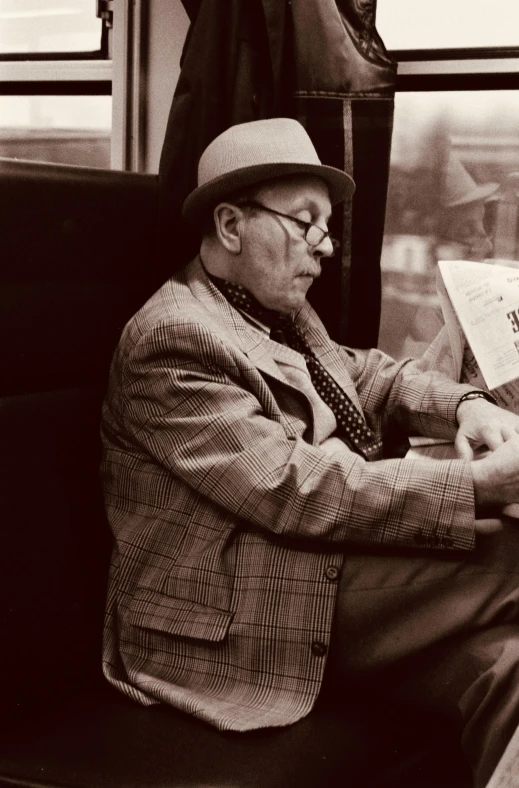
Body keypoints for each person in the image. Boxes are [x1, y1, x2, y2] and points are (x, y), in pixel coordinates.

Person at [100, 118, 519, 788]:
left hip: (309, 566)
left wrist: (466, 406)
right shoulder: (174, 339)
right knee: (509, 552)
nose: (324, 246)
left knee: (509, 663)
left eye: (325, 224)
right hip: (236, 613)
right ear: (231, 225)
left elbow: (372, 374)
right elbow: (296, 489)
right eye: (304, 221)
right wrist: (481, 486)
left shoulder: (273, 311)